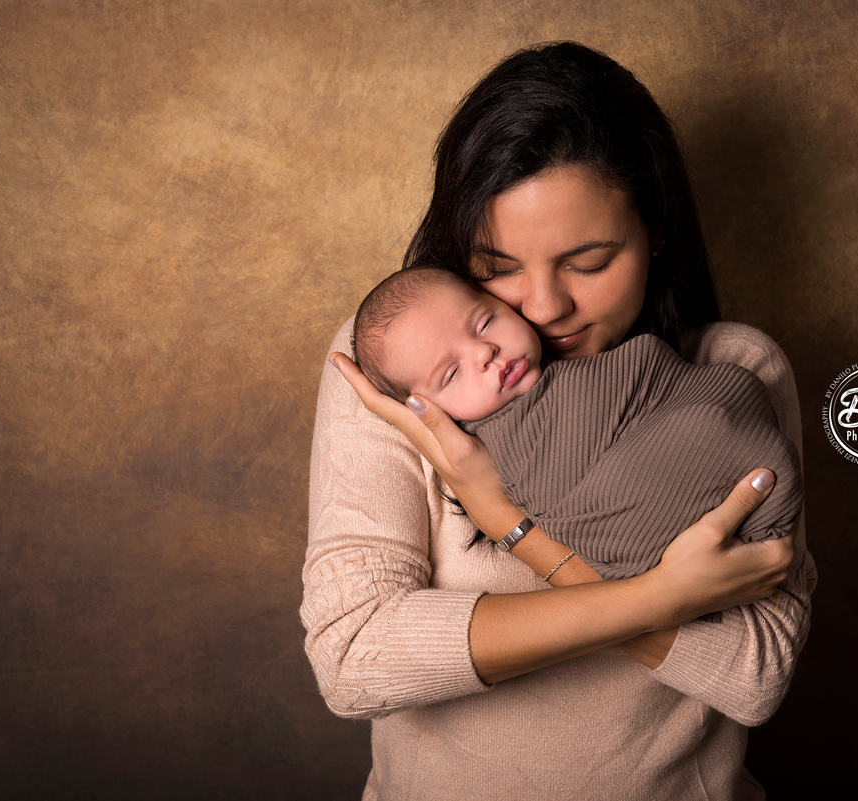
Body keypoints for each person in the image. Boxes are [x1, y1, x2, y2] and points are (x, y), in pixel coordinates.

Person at [302, 41, 815, 801]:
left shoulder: (730, 376)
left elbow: (755, 675)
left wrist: (507, 520)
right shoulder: (400, 366)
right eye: (498, 266)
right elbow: (353, 659)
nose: (542, 308)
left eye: (588, 261)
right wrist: (657, 598)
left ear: (656, 234)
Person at [350, 266, 803, 580]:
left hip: (727, 458)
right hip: (627, 527)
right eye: (452, 374)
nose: (483, 353)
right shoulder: (487, 440)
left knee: (732, 390)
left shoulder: (739, 350)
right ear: (420, 407)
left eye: (485, 322)